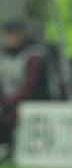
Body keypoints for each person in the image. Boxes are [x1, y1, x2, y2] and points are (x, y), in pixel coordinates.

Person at [0, 20, 49, 152]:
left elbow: (30, 86)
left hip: (32, 100)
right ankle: (5, 145)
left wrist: (8, 103)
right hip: (11, 100)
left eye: (14, 34)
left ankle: (8, 145)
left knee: (10, 113)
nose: (11, 38)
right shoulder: (5, 56)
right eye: (8, 35)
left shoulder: (33, 54)